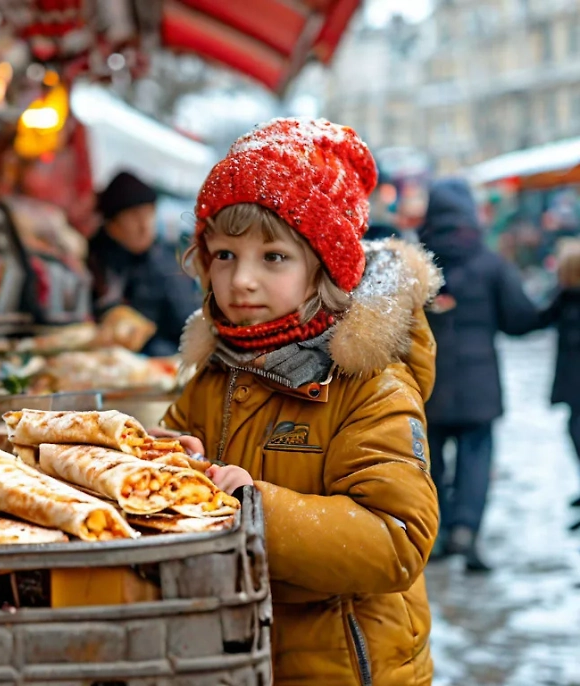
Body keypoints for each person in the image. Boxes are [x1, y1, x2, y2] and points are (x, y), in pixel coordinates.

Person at [163, 119, 441, 685]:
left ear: (323, 267)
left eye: (273, 257)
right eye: (222, 255)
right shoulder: (212, 378)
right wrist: (165, 461)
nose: (241, 280)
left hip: (345, 669)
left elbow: (396, 540)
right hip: (240, 660)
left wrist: (252, 508)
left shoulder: (370, 385)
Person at [418, 177, 542, 572]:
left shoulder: (416, 267)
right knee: (476, 460)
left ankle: (434, 536)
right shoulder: (491, 264)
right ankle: (465, 532)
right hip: (479, 387)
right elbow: (520, 320)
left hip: (428, 384)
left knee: (429, 465)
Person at [88, 171, 199, 356]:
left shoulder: (164, 257)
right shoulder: (94, 262)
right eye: (134, 216)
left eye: (150, 213)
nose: (144, 225)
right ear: (112, 224)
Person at [540, 239, 580, 528]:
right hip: (572, 382)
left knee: (576, 431)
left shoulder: (564, 299)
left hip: (572, 381)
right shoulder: (564, 298)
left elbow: (538, 318)